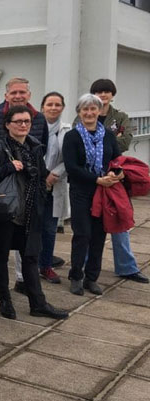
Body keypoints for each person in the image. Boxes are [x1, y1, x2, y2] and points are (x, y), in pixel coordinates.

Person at [0, 106, 68, 320]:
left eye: (26, 121)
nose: (23, 125)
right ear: (7, 125)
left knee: (30, 258)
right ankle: (5, 299)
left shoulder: (35, 146)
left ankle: (38, 303)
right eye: (18, 121)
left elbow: (41, 176)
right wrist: (8, 168)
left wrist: (41, 197)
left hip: (29, 214)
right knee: (1, 256)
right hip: (5, 213)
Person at [0, 77, 49, 298]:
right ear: (6, 95)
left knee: (24, 239)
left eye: (23, 92)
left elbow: (41, 148)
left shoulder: (39, 119)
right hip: (1, 188)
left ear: (29, 94)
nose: (18, 96)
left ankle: (22, 279)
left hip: (26, 187)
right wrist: (5, 169)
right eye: (14, 92)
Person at [90, 79, 149, 284]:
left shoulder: (121, 116)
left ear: (112, 95)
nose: (102, 95)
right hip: (92, 176)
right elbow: (79, 139)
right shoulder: (85, 113)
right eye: (98, 92)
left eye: (106, 92)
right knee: (92, 222)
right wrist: (109, 139)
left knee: (120, 220)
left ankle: (127, 267)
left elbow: (125, 140)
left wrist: (101, 140)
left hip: (115, 174)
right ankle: (87, 265)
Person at [63, 94, 123, 296]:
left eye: (93, 109)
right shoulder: (72, 136)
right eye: (84, 110)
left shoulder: (107, 134)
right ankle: (76, 276)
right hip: (81, 191)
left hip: (103, 192)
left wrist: (116, 173)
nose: (89, 113)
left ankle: (92, 278)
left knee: (99, 235)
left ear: (99, 111)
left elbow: (116, 159)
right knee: (82, 234)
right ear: (79, 112)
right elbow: (71, 166)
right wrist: (96, 179)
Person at [39, 92, 70, 284]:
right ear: (42, 107)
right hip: (34, 183)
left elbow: (71, 159)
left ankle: (46, 265)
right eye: (49, 104)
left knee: (49, 229)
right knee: (31, 228)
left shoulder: (67, 130)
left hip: (54, 184)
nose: (53, 108)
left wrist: (53, 175)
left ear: (63, 108)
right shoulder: (33, 127)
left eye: (57, 104)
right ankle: (31, 264)